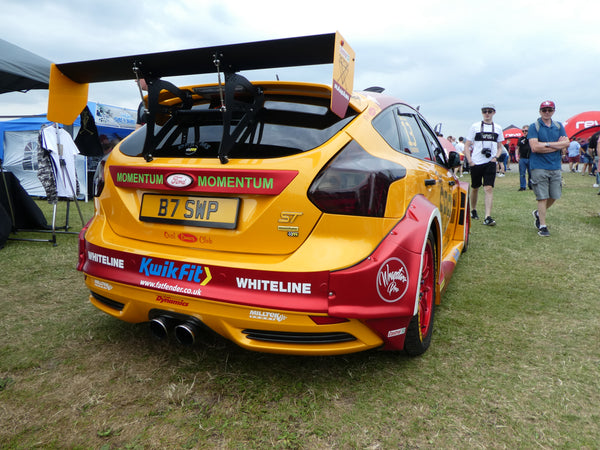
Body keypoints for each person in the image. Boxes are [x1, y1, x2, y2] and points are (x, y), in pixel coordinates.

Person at [527, 100, 569, 237]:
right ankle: (543, 226)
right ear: (540, 111)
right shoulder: (534, 126)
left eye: (549, 110)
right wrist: (556, 145)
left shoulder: (558, 126)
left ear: (553, 111)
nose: (547, 112)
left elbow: (566, 143)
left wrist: (545, 145)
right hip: (538, 166)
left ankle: (538, 213)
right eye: (544, 110)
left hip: (555, 166)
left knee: (555, 195)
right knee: (542, 197)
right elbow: (534, 147)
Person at [465, 103, 505, 226]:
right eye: (484, 111)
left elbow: (500, 147)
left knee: (488, 188)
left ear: (494, 113)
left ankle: (487, 216)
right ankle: (473, 209)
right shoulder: (475, 126)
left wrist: (496, 157)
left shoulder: (497, 128)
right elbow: (467, 145)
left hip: (490, 162)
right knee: (475, 187)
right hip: (476, 162)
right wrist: (470, 160)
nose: (487, 113)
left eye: (489, 111)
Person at [517, 125, 532, 191]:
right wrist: (516, 156)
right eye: (523, 131)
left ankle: (531, 185)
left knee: (531, 173)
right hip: (522, 158)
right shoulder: (521, 139)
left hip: (531, 158)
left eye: (526, 131)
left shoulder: (531, 138)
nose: (524, 132)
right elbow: (517, 148)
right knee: (522, 173)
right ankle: (522, 186)